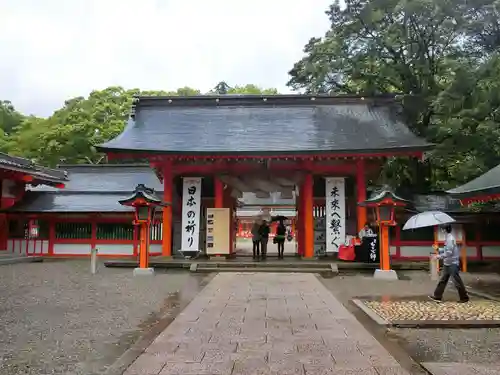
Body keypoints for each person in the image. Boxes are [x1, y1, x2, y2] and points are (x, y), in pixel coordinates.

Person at [429, 225, 469, 303]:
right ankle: (437, 296)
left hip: (452, 263)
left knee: (457, 281)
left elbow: (449, 252)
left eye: (442, 230)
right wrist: (438, 249)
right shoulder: (448, 238)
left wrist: (438, 256)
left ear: (445, 230)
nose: (442, 231)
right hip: (447, 263)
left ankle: (464, 297)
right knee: (443, 280)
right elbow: (446, 249)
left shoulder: (450, 239)